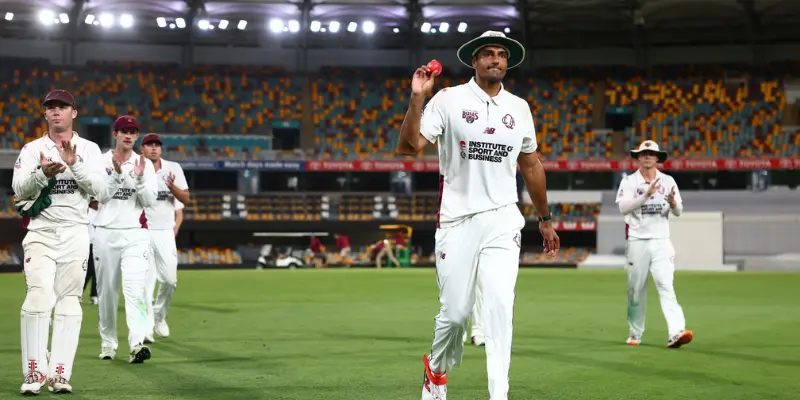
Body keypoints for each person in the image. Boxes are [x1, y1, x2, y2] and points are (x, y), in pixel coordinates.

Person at [397, 30, 560, 400]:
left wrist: (545, 220)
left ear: (507, 62)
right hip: (457, 220)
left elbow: (531, 166)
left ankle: (499, 395)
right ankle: (436, 372)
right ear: (474, 61)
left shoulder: (519, 108)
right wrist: (417, 97)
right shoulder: (448, 99)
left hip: (503, 220)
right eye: (487, 53)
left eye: (501, 54)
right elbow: (409, 146)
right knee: (455, 314)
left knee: (499, 309)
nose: (495, 59)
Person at [12, 89, 107, 394]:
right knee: (38, 298)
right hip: (41, 232)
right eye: (51, 107)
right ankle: (34, 372)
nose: (56, 111)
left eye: (62, 107)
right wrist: (42, 173)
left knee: (69, 302)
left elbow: (101, 190)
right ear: (45, 113)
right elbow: (19, 189)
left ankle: (60, 374)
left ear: (73, 113)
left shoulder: (90, 149)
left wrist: (74, 164)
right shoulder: (32, 149)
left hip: (76, 232)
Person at [92, 115, 158, 364]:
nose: (129, 135)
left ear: (137, 136)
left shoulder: (145, 164)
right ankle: (108, 344)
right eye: (124, 131)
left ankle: (137, 344)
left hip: (135, 233)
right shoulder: (101, 161)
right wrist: (117, 174)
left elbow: (149, 201)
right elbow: (100, 196)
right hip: (105, 232)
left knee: (135, 291)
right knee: (107, 294)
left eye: (133, 132)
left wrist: (139, 178)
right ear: (115, 134)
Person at [615, 140, 693, 349]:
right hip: (637, 241)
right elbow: (623, 208)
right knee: (635, 290)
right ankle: (635, 333)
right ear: (638, 158)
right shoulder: (629, 182)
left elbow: (678, 211)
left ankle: (676, 332)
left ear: (658, 158)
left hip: (661, 240)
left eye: (651, 153)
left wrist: (674, 203)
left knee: (666, 285)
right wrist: (646, 195)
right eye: (643, 154)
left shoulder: (668, 181)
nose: (647, 156)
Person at [140, 133, 190, 343]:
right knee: (145, 285)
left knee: (170, 280)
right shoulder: (135, 167)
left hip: (164, 232)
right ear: (142, 149)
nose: (154, 148)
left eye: (157, 145)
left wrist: (172, 187)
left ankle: (159, 315)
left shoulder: (173, 168)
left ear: (161, 149)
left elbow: (186, 199)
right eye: (149, 145)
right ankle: (146, 328)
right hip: (141, 232)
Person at [84, 198, 99, 305]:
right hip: (87, 244)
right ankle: (79, 292)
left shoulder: (99, 213)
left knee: (96, 271)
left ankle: (94, 295)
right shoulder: (87, 212)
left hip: (97, 244)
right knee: (89, 271)